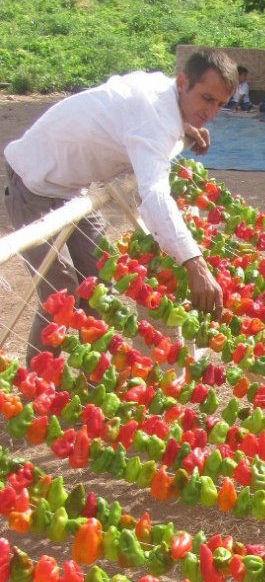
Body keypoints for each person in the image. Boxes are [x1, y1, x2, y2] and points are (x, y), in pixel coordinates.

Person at [4, 48, 237, 361]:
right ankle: (34, 387)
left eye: (220, 104)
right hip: (34, 180)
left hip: (75, 186)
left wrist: (183, 125)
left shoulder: (161, 92)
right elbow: (155, 195)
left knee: (101, 278)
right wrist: (195, 263)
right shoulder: (153, 119)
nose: (211, 112)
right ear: (182, 82)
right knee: (60, 293)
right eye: (206, 99)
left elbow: (140, 117)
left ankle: (88, 381)